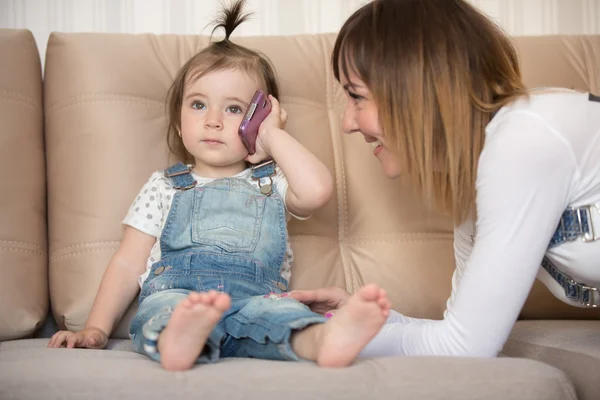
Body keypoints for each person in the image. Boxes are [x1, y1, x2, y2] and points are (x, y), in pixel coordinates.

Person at [47, 0, 391, 370]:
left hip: (253, 301)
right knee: (163, 310)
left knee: (282, 316)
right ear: (178, 122)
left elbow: (318, 191)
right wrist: (96, 328)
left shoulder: (272, 181)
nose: (212, 121)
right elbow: (128, 262)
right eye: (198, 105)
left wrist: (273, 136)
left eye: (233, 109)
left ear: (258, 119)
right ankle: (181, 337)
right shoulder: (163, 187)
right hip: (177, 296)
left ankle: (323, 339)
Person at [291, 0, 600, 357]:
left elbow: (465, 348)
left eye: (357, 97)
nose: (347, 123)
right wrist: (369, 320)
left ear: (416, 88)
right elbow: (460, 332)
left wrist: (311, 340)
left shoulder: (525, 138)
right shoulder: (477, 183)